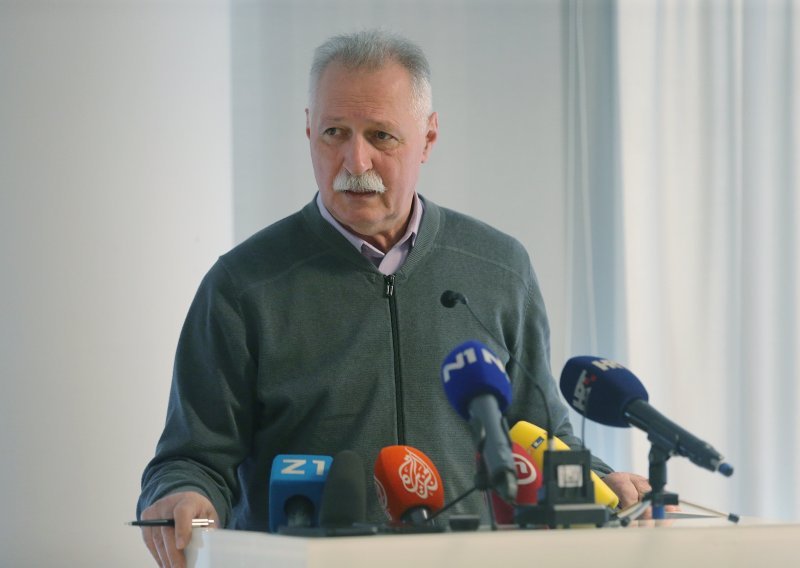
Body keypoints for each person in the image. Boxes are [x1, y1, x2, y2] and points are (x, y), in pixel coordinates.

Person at [137, 29, 654, 567]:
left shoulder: (500, 268)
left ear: (428, 138)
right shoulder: (243, 284)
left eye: (381, 136)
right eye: (334, 132)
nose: (354, 161)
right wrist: (182, 497)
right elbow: (192, 458)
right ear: (309, 129)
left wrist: (601, 481)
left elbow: (540, 433)